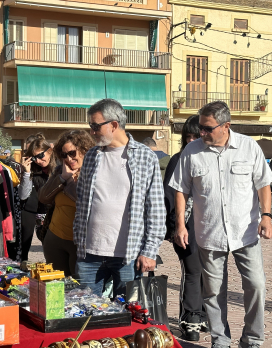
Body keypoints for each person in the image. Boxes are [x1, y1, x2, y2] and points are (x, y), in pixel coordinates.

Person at [169, 101, 272, 348]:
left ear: (226, 126)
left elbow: (263, 184)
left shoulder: (249, 148)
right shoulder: (191, 152)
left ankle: (252, 340)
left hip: (245, 232)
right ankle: (220, 340)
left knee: (257, 286)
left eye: (207, 128)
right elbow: (181, 190)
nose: (202, 133)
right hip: (210, 232)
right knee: (214, 292)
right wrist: (181, 225)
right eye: (201, 128)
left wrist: (266, 216)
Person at [74, 98, 166, 297]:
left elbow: (156, 209)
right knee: (84, 312)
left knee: (128, 314)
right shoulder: (92, 155)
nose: (92, 131)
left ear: (114, 125)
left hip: (128, 255)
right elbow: (82, 200)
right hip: (89, 254)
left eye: (95, 126)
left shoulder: (145, 157)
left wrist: (150, 251)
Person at [163, 115, 207, 341]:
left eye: (195, 136)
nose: (191, 141)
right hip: (183, 227)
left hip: (208, 227)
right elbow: (168, 198)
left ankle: (202, 315)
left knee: (207, 273)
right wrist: (173, 228)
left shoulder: (208, 159)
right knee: (193, 271)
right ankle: (189, 320)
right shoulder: (178, 159)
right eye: (186, 137)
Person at [38, 130, 95, 277]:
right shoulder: (60, 171)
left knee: (79, 290)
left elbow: (87, 202)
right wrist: (62, 178)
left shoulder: (94, 173)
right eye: (63, 155)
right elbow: (44, 197)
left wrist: (69, 182)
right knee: (58, 288)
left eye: (72, 153)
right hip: (54, 240)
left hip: (80, 244)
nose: (68, 159)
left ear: (84, 150)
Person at [14, 134, 56, 261]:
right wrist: (26, 173)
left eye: (40, 156)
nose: (38, 160)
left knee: (54, 252)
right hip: (39, 214)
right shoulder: (33, 170)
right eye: (34, 158)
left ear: (49, 151)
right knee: (47, 250)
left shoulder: (60, 166)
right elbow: (23, 195)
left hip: (57, 214)